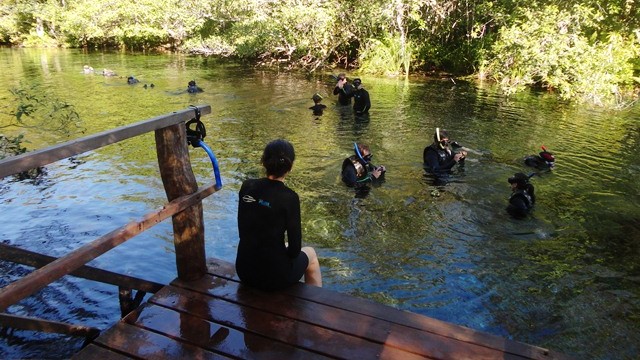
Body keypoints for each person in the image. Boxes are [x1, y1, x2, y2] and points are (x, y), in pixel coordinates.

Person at [236, 139, 322, 290]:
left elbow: (245, 230)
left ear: (263, 161)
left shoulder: (247, 186)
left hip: (244, 270)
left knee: (277, 246)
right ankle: (315, 307)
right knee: (311, 254)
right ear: (290, 166)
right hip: (274, 277)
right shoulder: (289, 197)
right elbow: (295, 250)